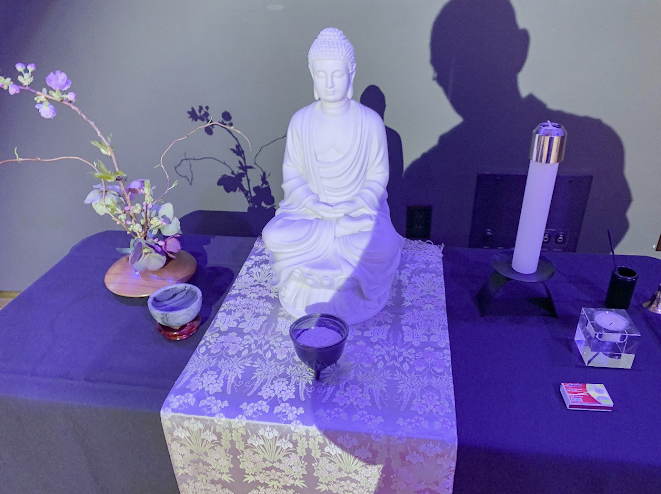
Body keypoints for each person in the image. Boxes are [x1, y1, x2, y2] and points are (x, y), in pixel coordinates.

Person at [404, 0, 631, 253]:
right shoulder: (424, 175)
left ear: (519, 49)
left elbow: (604, 233)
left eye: (474, 54)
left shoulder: (595, 144)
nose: (455, 78)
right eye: (443, 67)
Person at [262, 28, 403, 324]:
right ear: (312, 75)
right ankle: (336, 236)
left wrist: (355, 205)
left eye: (337, 74)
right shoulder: (301, 120)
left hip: (357, 213)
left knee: (385, 242)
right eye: (321, 74)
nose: (329, 83)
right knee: (274, 235)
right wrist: (314, 205)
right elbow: (292, 175)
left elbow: (378, 177)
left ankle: (338, 242)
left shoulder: (370, 122)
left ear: (352, 73)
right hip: (310, 214)